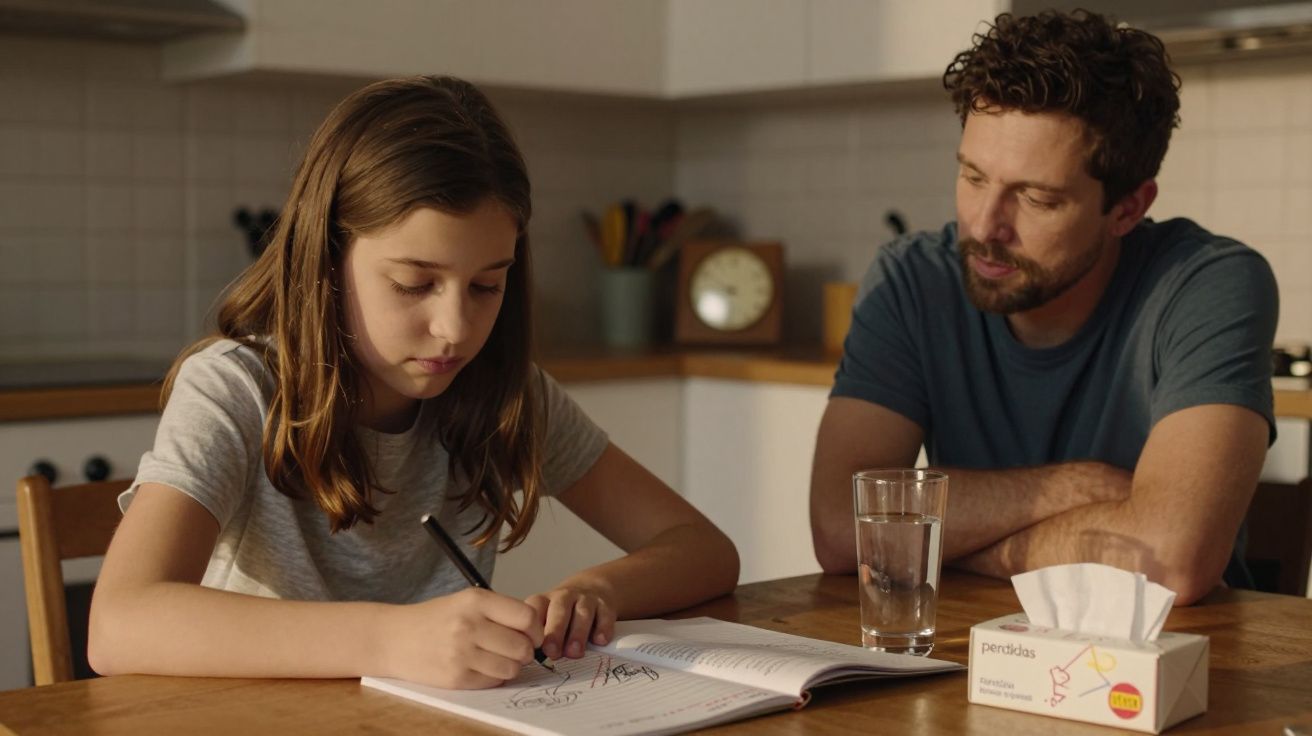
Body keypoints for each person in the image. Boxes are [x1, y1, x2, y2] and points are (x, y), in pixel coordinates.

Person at [88, 76, 739, 689]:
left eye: (487, 285)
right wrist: (392, 639)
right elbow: (119, 625)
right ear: (328, 257)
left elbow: (704, 549)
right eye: (413, 284)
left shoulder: (505, 391)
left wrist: (601, 589)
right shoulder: (235, 391)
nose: (454, 328)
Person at [809, 10, 1277, 606]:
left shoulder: (1207, 283)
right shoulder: (911, 279)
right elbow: (840, 526)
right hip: (965, 650)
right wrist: (1074, 488)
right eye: (973, 176)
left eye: (1037, 198)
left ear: (1127, 210)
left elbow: (1172, 560)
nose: (984, 226)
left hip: (1166, 665)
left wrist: (945, 543)